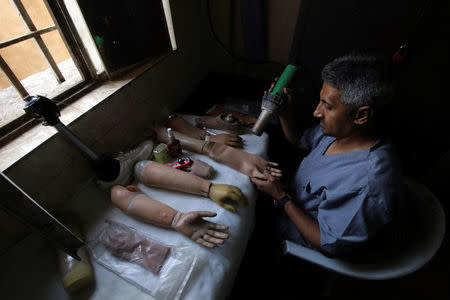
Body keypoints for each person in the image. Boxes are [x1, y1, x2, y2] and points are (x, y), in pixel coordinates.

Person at [251, 53, 403, 257]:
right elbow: (299, 140)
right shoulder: (343, 132)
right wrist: (284, 112)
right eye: (320, 102)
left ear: (361, 115)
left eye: (328, 107)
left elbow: (328, 243)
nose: (317, 112)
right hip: (285, 200)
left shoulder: (366, 183)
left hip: (299, 235)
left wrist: (281, 198)